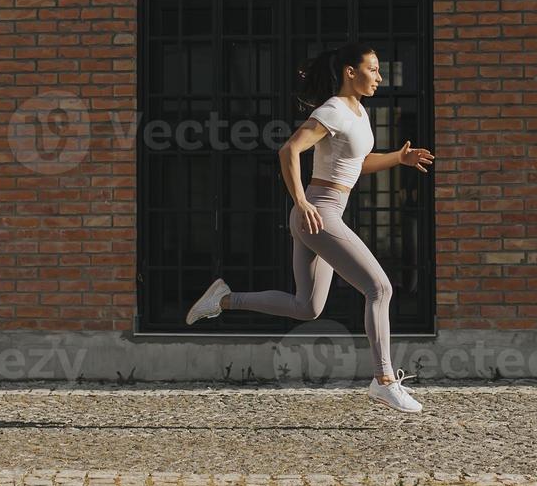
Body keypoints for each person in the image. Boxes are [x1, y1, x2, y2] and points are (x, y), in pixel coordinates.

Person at [183, 41, 435, 414]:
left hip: (323, 212)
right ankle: (384, 381)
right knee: (379, 287)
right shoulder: (332, 109)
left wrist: (398, 157)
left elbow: (357, 164)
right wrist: (301, 202)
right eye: (374, 69)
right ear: (351, 72)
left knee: (307, 307)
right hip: (318, 212)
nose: (379, 77)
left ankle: (221, 299)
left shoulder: (359, 112)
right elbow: (289, 151)